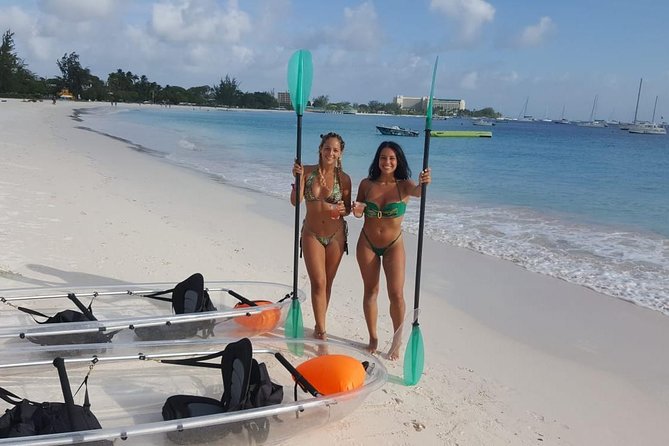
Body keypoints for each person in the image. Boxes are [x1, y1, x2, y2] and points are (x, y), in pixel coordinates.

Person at [352, 141, 431, 360]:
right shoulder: (366, 184)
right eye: (383, 158)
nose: (387, 162)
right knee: (371, 291)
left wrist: (424, 183)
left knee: (396, 294)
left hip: (393, 244)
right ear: (377, 160)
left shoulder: (404, 185)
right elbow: (358, 212)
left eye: (392, 158)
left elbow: (418, 193)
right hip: (367, 242)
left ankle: (397, 341)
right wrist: (357, 210)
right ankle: (373, 337)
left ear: (398, 161)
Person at [291, 132, 352, 341]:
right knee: (318, 282)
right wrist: (298, 179)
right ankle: (322, 334)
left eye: (335, 150)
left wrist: (345, 209)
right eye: (327, 148)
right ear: (320, 149)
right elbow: (295, 201)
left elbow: (348, 209)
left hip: (336, 236)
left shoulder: (344, 179)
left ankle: (319, 323)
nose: (330, 153)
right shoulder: (306, 172)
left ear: (340, 153)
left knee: (328, 283)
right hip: (312, 234)